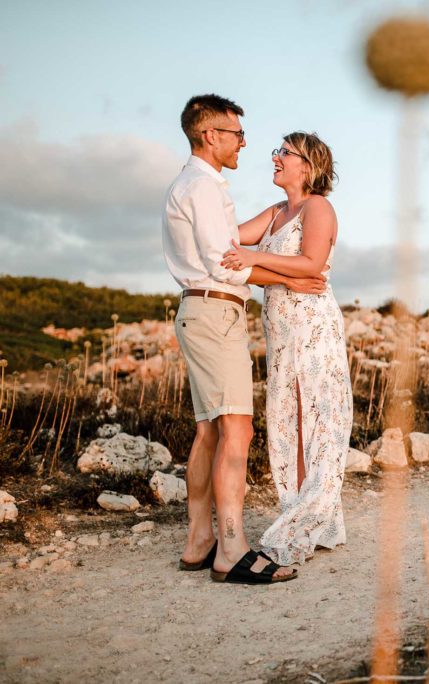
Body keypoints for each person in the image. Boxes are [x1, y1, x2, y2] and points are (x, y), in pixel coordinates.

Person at [163, 95, 323, 584]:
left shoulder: (192, 184)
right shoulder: (204, 187)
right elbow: (224, 260)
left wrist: (268, 271)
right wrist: (290, 281)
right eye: (236, 134)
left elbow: (233, 253)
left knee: (210, 430)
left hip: (201, 310)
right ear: (210, 135)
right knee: (237, 430)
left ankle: (199, 541)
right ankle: (231, 548)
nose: (245, 143)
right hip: (215, 311)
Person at [222, 131, 353, 566]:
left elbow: (311, 264)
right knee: (287, 421)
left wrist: (257, 262)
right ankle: (304, 513)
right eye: (276, 152)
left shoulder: (318, 207)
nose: (274, 158)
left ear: (307, 166)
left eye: (284, 153)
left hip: (313, 328)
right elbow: (231, 245)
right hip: (281, 335)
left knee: (316, 419)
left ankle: (306, 520)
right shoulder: (278, 211)